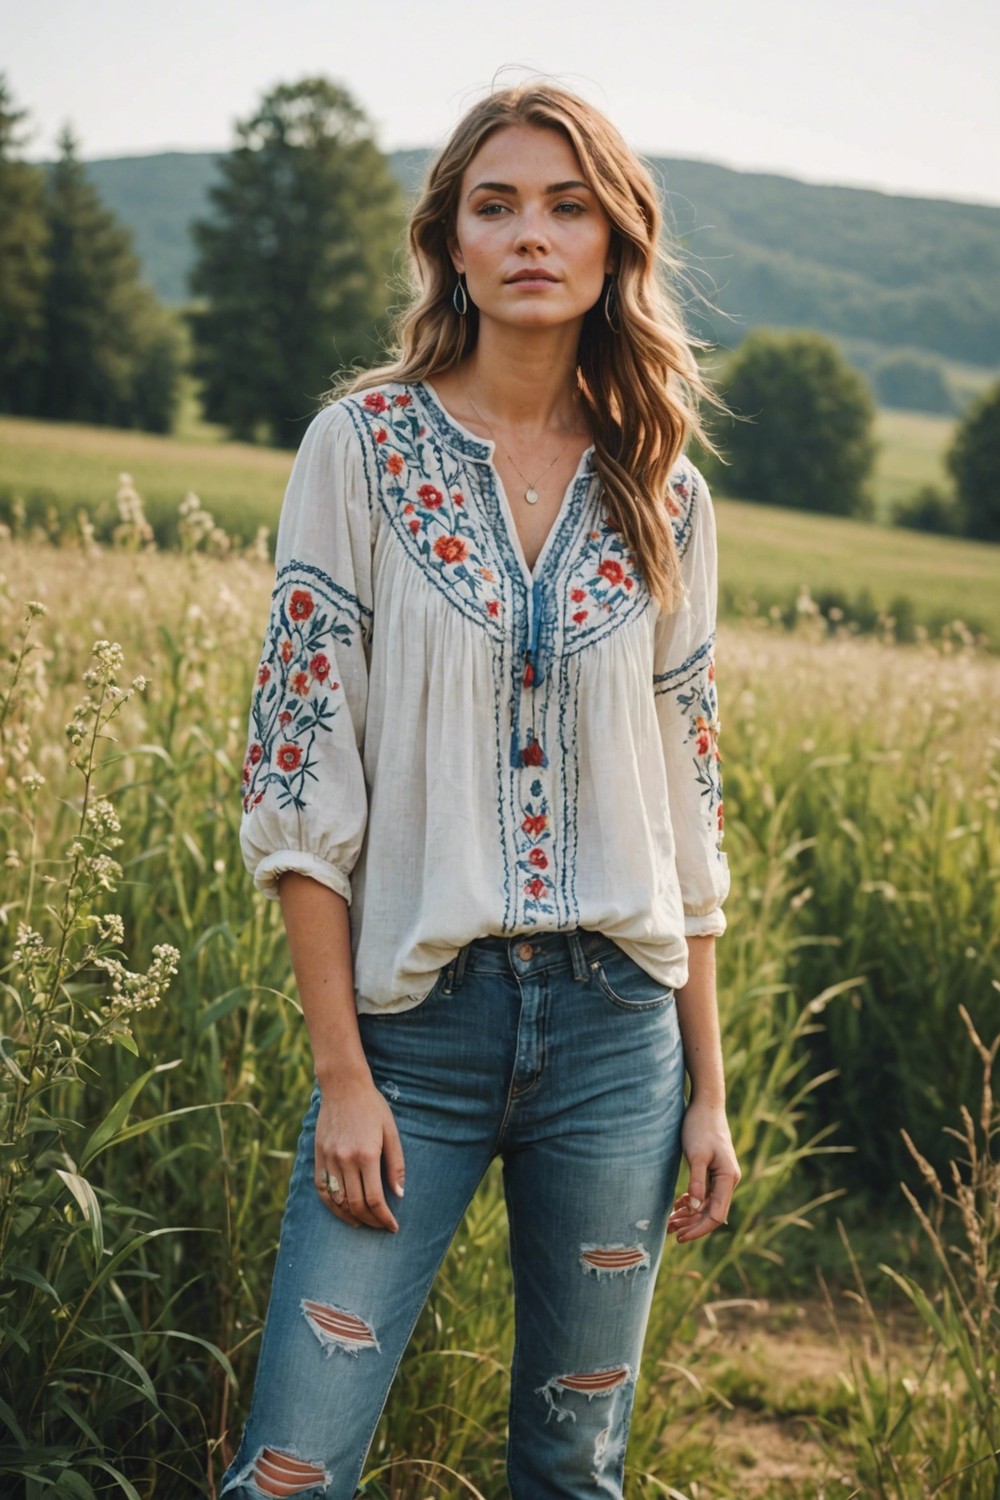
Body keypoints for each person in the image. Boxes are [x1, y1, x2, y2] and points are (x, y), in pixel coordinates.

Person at [221, 81, 741, 1500]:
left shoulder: (666, 490)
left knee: (574, 1472)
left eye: (568, 206)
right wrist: (343, 1074)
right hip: (415, 1037)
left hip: (618, 1039)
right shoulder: (365, 452)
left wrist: (709, 1087)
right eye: (495, 204)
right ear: (448, 240)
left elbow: (687, 817)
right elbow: (298, 779)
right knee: (294, 1468)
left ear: (615, 243)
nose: (531, 235)